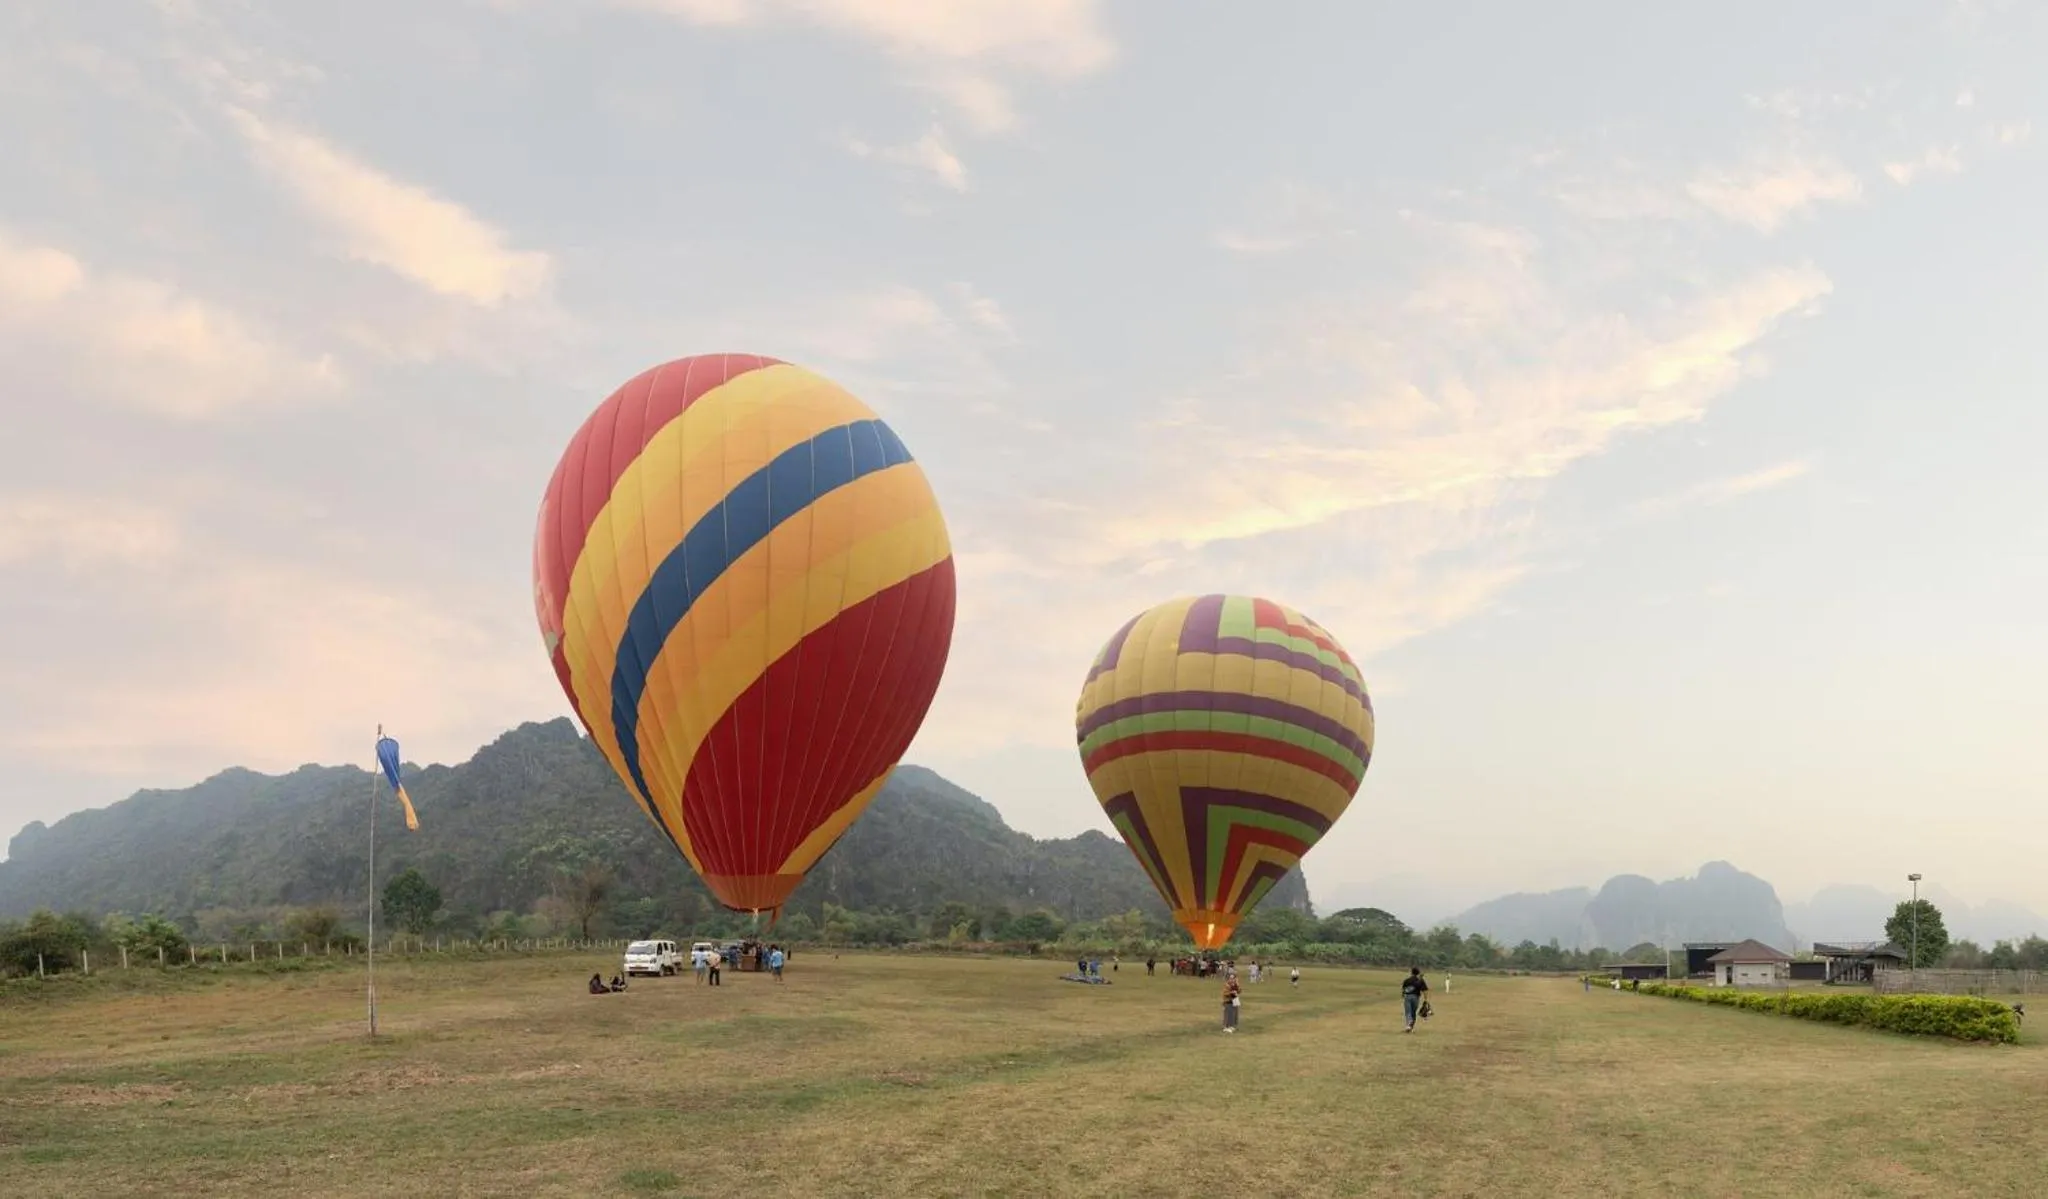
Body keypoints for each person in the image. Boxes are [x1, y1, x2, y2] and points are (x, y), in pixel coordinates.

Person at [1400, 967, 1429, 1031]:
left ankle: (1408, 1025)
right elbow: (1425, 990)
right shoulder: (1420, 980)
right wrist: (1425, 999)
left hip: (1407, 997)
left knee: (1408, 1012)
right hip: (1416, 997)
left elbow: (1403, 989)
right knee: (1413, 1012)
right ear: (1418, 973)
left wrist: (1403, 995)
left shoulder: (1407, 980)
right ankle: (1411, 1026)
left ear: (1411, 972)